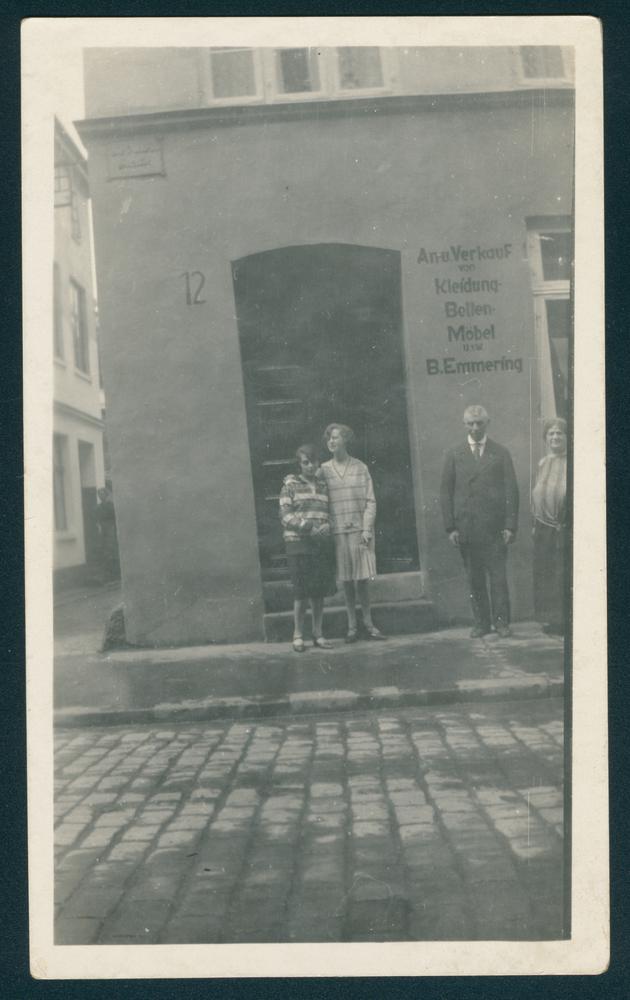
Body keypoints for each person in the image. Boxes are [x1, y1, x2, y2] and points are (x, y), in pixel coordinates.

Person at [440, 405, 519, 639]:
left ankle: (502, 623)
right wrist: (451, 527)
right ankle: (481, 623)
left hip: (494, 529)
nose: (475, 428)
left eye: (479, 423)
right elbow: (446, 492)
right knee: (474, 579)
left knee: (498, 578)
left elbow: (511, 491)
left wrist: (510, 525)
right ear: (464, 424)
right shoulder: (454, 454)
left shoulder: (500, 452)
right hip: (467, 528)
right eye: (470, 423)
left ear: (487, 423)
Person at [320, 423, 385, 643]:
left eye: (335, 437)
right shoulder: (323, 470)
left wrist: (366, 529)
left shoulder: (360, 468)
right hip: (338, 534)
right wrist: (328, 526)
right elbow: (321, 503)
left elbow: (370, 501)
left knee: (362, 580)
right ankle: (351, 626)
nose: (331, 442)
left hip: (359, 532)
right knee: (346, 581)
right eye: (329, 438)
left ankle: (368, 623)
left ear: (345, 440)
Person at [279, 444, 336, 652]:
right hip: (299, 545)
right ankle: (298, 635)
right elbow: (285, 516)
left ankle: (318, 633)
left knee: (318, 592)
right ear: (299, 465)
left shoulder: (323, 486)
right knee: (301, 593)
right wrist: (308, 527)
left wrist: (328, 525)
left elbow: (329, 512)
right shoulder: (290, 486)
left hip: (320, 545)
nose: (310, 466)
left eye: (314, 462)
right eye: (306, 463)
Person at [531, 417, 568, 635]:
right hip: (544, 527)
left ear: (567, 437)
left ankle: (565, 620)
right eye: (551, 434)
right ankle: (551, 619)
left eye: (559, 433)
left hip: (564, 527)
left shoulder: (573, 462)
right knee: (546, 572)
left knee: (562, 573)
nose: (555, 437)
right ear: (545, 438)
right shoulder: (542, 464)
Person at [95, 485, 120, 580]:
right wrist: (99, 526)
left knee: (112, 548)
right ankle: (107, 572)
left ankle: (115, 573)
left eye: (102, 494)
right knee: (104, 548)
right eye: (99, 495)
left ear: (106, 495)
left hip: (111, 528)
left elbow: (115, 518)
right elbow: (97, 519)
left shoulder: (111, 506)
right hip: (103, 529)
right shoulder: (98, 507)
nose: (101, 496)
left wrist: (113, 528)